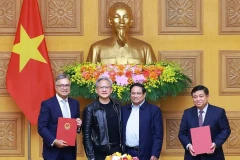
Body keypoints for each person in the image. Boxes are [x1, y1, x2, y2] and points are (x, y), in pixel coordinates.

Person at [86, 2, 156, 65]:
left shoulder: (145, 49)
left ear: (131, 21)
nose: (121, 21)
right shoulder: (96, 49)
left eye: (125, 17)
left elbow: (154, 76)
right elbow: (89, 76)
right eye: (117, 17)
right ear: (110, 20)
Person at [178, 85, 231, 160]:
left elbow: (225, 130)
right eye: (195, 97)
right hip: (192, 156)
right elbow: (182, 133)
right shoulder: (187, 113)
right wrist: (189, 146)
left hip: (214, 156)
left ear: (207, 96)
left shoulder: (218, 112)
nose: (198, 99)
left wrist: (215, 144)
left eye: (201, 96)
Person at [38, 73, 82, 160]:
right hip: (53, 152)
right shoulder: (47, 104)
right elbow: (41, 127)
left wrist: (78, 125)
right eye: (61, 85)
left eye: (67, 85)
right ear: (56, 87)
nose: (64, 88)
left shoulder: (75, 103)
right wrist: (54, 141)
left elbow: (75, 126)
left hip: (70, 151)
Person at [82, 76, 122, 160]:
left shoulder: (118, 105)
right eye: (101, 87)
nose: (104, 90)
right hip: (99, 152)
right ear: (96, 90)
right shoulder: (90, 108)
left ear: (111, 90)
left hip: (117, 150)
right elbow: (86, 135)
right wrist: (91, 157)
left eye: (107, 87)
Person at [122, 83, 163, 160]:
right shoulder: (124, 110)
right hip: (126, 153)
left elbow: (158, 135)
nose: (135, 96)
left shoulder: (154, 110)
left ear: (144, 94)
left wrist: (155, 154)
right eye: (133, 93)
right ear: (130, 94)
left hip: (145, 153)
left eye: (138, 93)